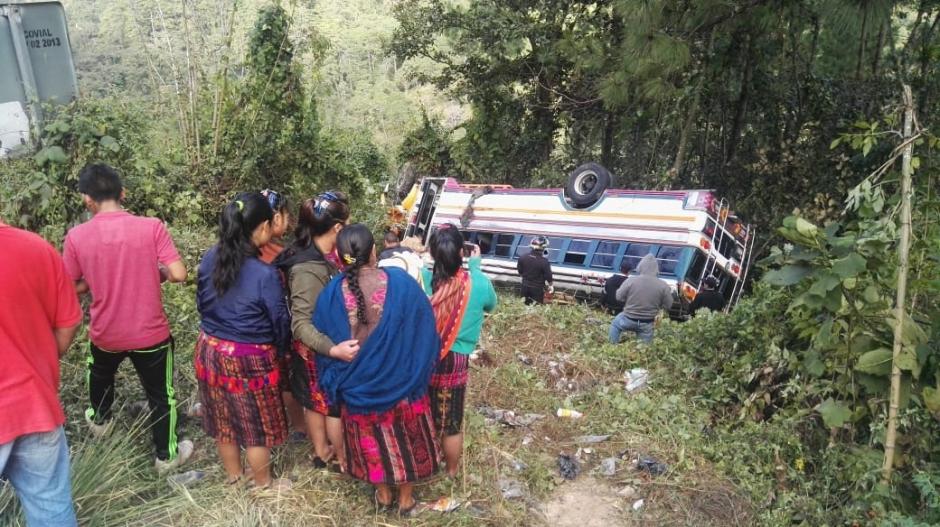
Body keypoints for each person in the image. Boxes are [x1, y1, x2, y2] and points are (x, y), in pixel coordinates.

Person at [62, 163, 193, 472]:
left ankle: (100, 421)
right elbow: (178, 274)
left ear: (87, 199)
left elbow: (70, 286)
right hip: (150, 333)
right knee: (162, 395)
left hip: (106, 333)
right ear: (122, 193)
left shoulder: (77, 236)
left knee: (100, 376)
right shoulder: (151, 227)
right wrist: (153, 272)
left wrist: (97, 277)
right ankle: (166, 456)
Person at [314, 224, 442, 516]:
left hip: (359, 387)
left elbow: (326, 343)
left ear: (340, 256)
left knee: (371, 443)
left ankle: (383, 495)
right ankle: (406, 500)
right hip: (401, 381)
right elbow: (424, 328)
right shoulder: (400, 282)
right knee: (407, 440)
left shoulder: (332, 294)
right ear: (373, 251)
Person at [195, 192, 291, 489]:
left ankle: (234, 477)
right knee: (255, 427)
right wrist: (282, 350)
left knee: (224, 422)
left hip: (209, 349)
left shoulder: (211, 257)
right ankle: (263, 483)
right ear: (263, 227)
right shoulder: (265, 274)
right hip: (248, 358)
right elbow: (280, 320)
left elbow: (202, 301)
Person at [1, 220, 82, 526]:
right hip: (36, 405)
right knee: (51, 508)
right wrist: (41, 364)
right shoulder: (36, 248)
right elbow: (69, 322)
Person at [273, 191, 358, 469]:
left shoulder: (314, 254)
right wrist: (332, 348)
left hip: (320, 344)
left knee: (317, 400)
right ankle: (322, 450)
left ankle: (323, 447)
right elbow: (301, 324)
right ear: (337, 228)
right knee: (317, 401)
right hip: (314, 348)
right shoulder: (308, 268)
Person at [421, 224, 497, 477]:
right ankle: (451, 471)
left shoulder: (422, 278)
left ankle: (426, 462)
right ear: (461, 253)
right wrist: (475, 267)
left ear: (432, 253)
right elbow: (491, 305)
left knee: (424, 412)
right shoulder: (476, 284)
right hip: (455, 358)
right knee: (451, 420)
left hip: (423, 356)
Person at [256, 189, 306, 441]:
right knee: (287, 379)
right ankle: (298, 426)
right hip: (276, 327)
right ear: (274, 219)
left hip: (249, 330)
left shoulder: (237, 250)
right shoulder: (279, 255)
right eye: (286, 215)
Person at [609, 254, 674, 344]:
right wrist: (658, 305)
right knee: (643, 350)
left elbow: (618, 297)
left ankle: (612, 346)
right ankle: (641, 353)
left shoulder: (631, 280)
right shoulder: (663, 285)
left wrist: (628, 300)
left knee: (615, 325)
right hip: (647, 323)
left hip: (628, 318)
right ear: (656, 269)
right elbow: (669, 305)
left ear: (640, 266)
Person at [516, 236, 553, 305]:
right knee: (536, 308)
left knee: (523, 306)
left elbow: (520, 271)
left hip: (524, 287)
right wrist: (551, 285)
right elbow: (548, 276)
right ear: (543, 248)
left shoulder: (522, 257)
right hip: (537, 290)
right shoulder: (544, 261)